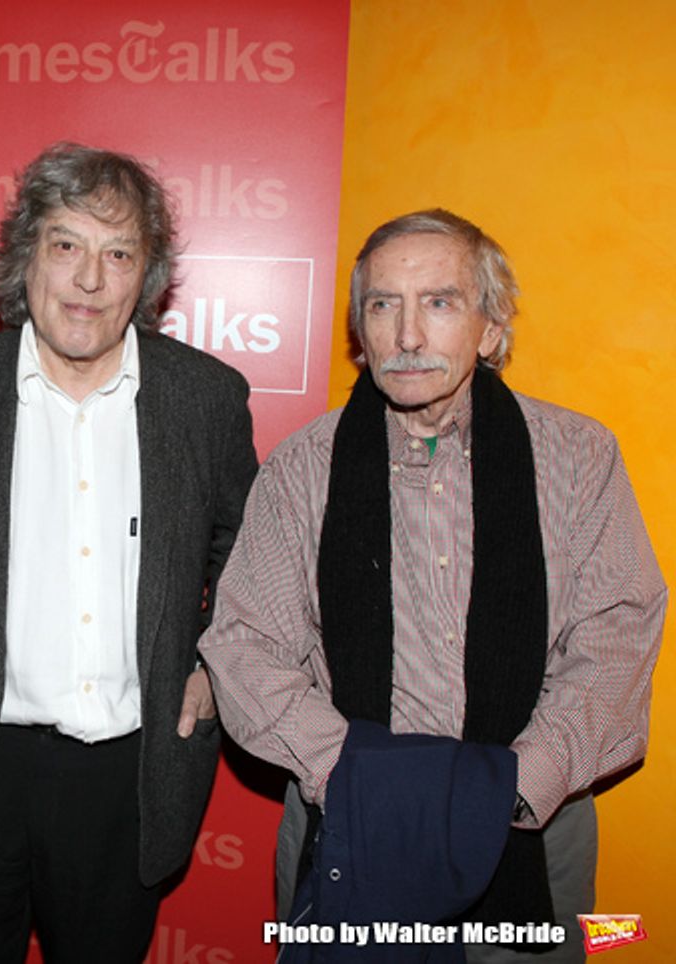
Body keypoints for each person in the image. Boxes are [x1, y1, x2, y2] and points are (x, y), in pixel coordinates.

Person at [199, 209, 666, 962]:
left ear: (489, 328)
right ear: (362, 330)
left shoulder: (579, 457)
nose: (408, 334)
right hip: (345, 825)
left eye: (440, 303)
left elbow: (618, 630)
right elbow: (246, 644)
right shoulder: (302, 467)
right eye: (384, 305)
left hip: (530, 836)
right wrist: (355, 782)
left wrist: (517, 787)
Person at [0, 142, 257, 963]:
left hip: (132, 776)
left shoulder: (207, 400)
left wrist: (216, 668)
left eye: (119, 254)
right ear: (25, 258)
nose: (89, 279)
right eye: (67, 245)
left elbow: (250, 550)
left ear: (146, 279)